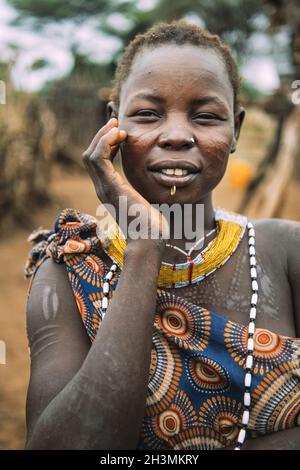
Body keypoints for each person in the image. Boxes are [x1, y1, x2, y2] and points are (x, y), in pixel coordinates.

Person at [24, 20, 300, 450]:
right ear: (113, 124)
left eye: (206, 116)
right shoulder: (67, 273)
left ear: (236, 131)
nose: (175, 135)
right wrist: (144, 246)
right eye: (148, 114)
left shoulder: (286, 253)